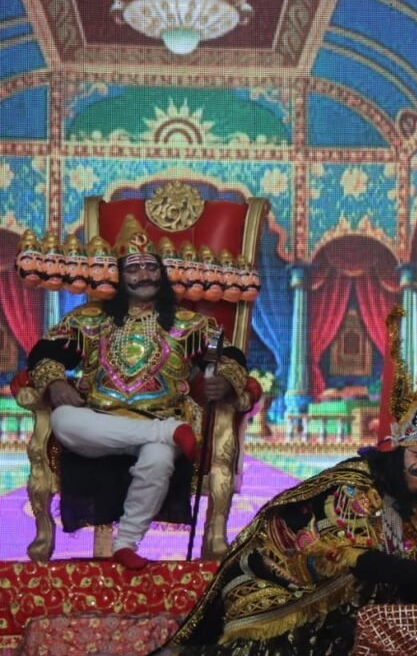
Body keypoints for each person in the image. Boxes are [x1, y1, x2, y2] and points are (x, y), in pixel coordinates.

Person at [161, 385, 417, 656]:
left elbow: (399, 582)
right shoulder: (354, 484)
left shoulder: (403, 506)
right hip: (275, 605)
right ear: (396, 455)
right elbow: (350, 558)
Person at [25, 216, 249, 570]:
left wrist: (225, 379)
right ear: (119, 276)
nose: (144, 275)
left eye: (150, 268)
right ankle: (166, 433)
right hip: (100, 424)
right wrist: (56, 382)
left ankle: (126, 543)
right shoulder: (89, 320)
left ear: (161, 274)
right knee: (63, 419)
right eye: (133, 269)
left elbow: (230, 356)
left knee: (158, 460)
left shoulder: (189, 325)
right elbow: (44, 352)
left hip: (160, 416)